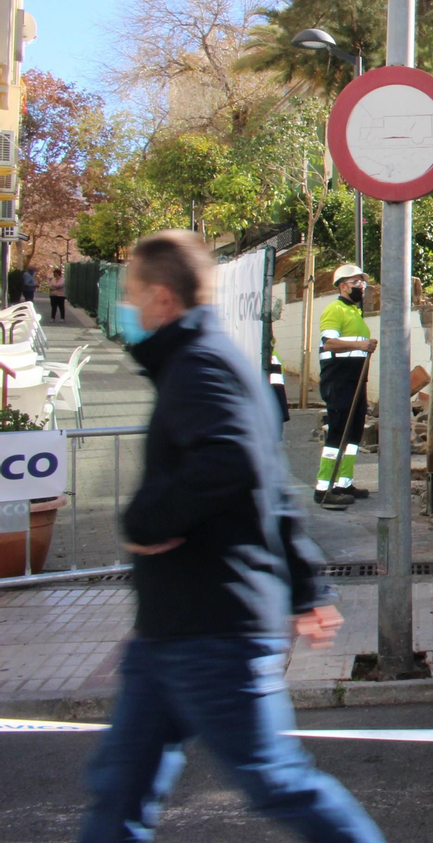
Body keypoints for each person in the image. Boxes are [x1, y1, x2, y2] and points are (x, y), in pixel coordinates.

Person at [80, 230, 384, 843]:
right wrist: (305, 587)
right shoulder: (202, 362)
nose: (129, 307)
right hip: (172, 629)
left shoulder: (200, 367)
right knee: (118, 787)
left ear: (162, 297)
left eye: (134, 294)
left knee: (276, 782)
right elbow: (270, 490)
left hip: (213, 628)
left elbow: (234, 465)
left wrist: (146, 522)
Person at [315, 264, 375, 510]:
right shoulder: (335, 309)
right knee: (338, 432)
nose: (362, 288)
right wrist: (361, 347)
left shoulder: (355, 313)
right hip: (339, 381)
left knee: (353, 434)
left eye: (363, 284)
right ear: (343, 286)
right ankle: (324, 489)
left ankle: (343, 483)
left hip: (355, 381)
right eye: (357, 283)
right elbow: (328, 343)